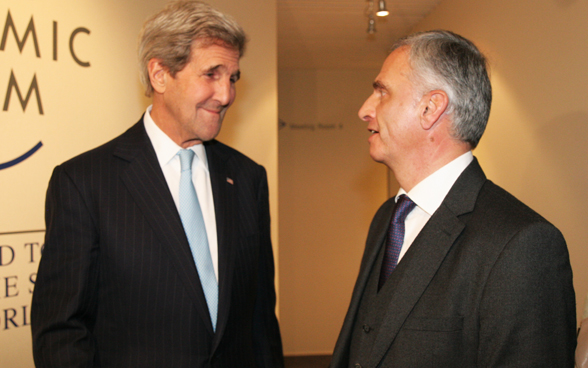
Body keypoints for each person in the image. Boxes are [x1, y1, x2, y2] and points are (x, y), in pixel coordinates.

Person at [31, 1, 283, 367]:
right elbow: (61, 333)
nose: (226, 94)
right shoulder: (84, 183)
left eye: (232, 78)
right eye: (211, 74)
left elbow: (260, 321)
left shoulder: (247, 178)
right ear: (160, 74)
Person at [329, 30, 576, 367]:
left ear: (431, 108)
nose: (364, 110)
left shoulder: (522, 244)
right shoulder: (388, 217)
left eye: (382, 92)